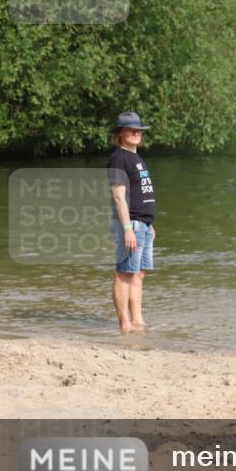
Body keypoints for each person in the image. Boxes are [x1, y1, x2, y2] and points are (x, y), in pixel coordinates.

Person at [107, 112, 157, 334]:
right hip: (130, 225)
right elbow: (119, 197)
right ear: (120, 134)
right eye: (131, 130)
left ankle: (138, 321)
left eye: (138, 130)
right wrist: (127, 228)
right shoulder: (119, 158)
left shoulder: (137, 158)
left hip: (142, 224)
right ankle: (124, 324)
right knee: (124, 273)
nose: (136, 133)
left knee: (138, 273)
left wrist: (148, 223)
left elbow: (140, 192)